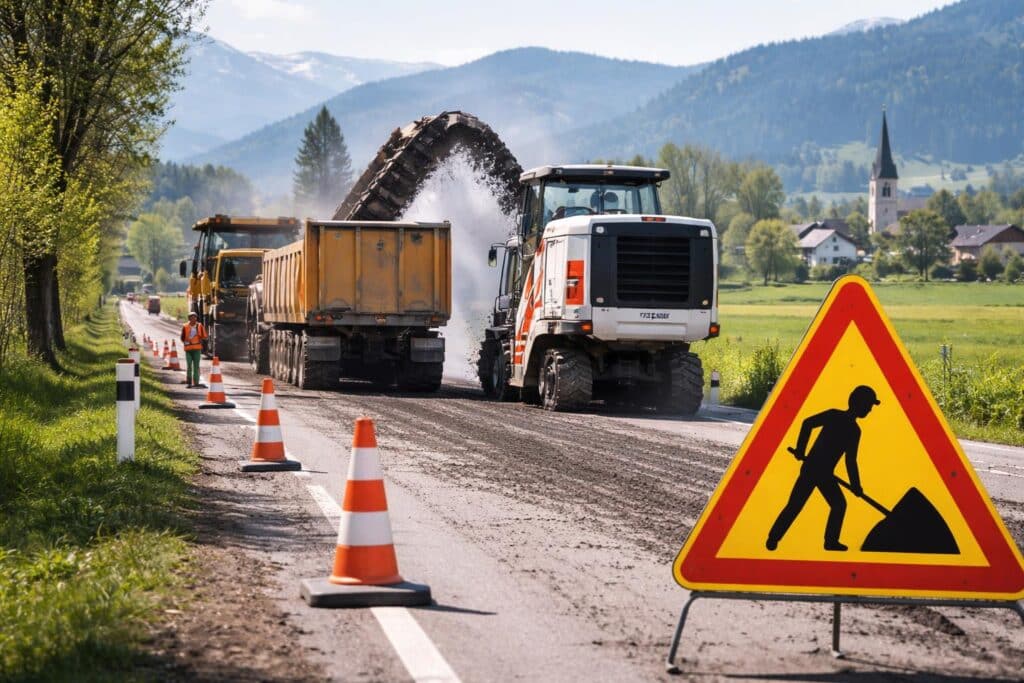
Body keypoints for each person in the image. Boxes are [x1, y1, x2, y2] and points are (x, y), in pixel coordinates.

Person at [765, 385, 880, 552]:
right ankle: (775, 537)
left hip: (823, 473)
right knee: (799, 504)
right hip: (813, 470)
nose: (869, 410)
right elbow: (808, 424)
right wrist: (801, 449)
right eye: (868, 405)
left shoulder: (851, 428)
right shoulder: (840, 420)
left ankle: (827, 541)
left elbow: (850, 460)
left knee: (834, 505)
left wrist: (856, 485)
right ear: (859, 403)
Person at [181, 312, 208, 388]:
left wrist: (201, 340)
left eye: (195, 317)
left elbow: (205, 336)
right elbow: (182, 338)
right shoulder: (185, 326)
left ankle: (196, 382)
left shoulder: (199, 326)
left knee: (196, 366)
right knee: (189, 365)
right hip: (188, 350)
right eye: (192, 317)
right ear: (189, 318)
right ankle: (189, 381)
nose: (194, 319)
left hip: (197, 349)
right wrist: (187, 341)